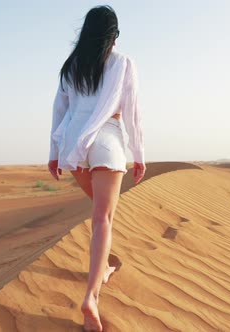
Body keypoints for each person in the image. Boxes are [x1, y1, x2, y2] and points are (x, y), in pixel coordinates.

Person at [47, 5, 146, 331]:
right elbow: (131, 111)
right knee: (103, 218)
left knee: (101, 214)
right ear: (113, 35)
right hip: (106, 142)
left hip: (73, 144)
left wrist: (53, 151)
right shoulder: (122, 63)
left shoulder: (71, 66)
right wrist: (139, 153)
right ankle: (92, 296)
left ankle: (102, 269)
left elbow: (59, 109)